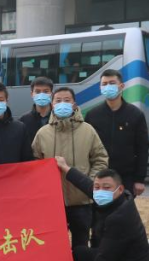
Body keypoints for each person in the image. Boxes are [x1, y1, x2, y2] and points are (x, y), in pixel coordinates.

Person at [31, 87, 109, 248]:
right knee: (54, 247)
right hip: (52, 203)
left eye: (67, 100)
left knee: (81, 247)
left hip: (81, 202)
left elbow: (100, 159)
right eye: (58, 100)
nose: (62, 104)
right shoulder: (42, 133)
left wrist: (89, 183)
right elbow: (34, 163)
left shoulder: (88, 130)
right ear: (52, 104)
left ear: (74, 104)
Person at [85, 68, 149, 196]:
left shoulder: (135, 114)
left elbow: (142, 148)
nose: (108, 87)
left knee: (124, 208)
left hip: (126, 177)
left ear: (121, 86)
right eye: (104, 84)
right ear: (100, 88)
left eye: (112, 83)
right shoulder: (92, 115)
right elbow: (86, 147)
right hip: (98, 176)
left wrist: (140, 179)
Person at [19, 76, 55, 149]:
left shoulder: (58, 117)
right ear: (32, 94)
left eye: (46, 91)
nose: (41, 95)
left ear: (51, 94)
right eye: (37, 92)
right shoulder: (23, 120)